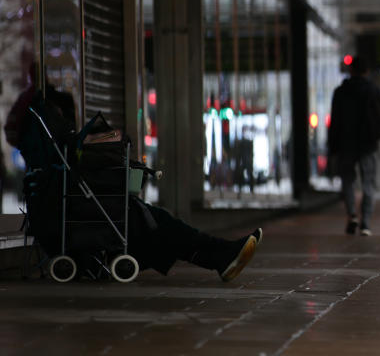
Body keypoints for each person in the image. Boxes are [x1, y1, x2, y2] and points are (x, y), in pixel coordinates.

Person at [12, 89, 261, 282]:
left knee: (159, 224)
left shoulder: (50, 161)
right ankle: (221, 255)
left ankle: (220, 256)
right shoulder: (58, 164)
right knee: (160, 224)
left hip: (89, 212)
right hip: (89, 216)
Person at [328, 56, 380, 236]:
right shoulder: (373, 91)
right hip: (368, 144)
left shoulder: (340, 92)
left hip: (346, 143)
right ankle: (365, 223)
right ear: (366, 71)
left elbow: (334, 121)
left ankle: (352, 215)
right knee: (368, 183)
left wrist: (333, 147)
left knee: (347, 181)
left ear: (351, 70)